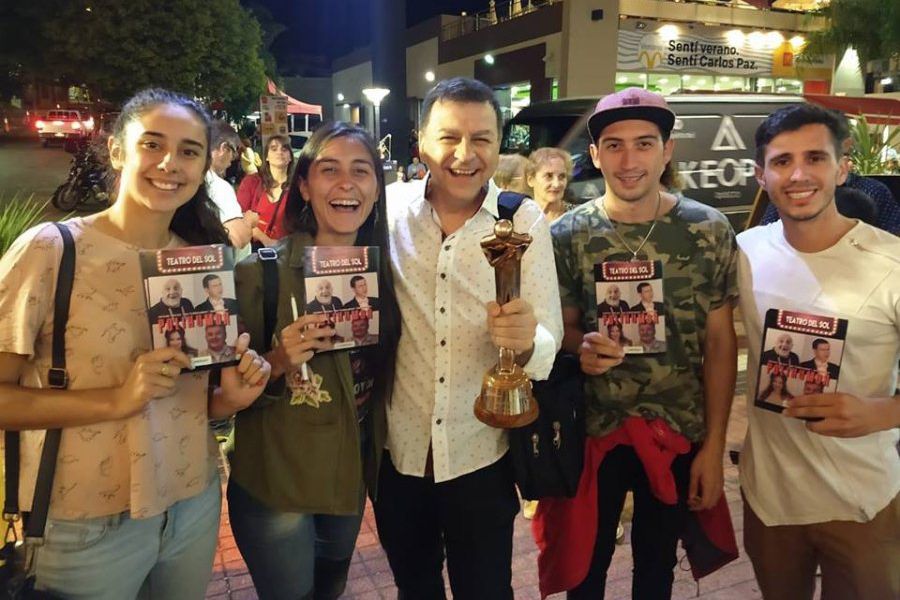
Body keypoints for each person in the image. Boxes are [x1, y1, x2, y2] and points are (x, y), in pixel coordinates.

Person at [0, 88, 270, 599]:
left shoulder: (202, 261)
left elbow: (191, 401)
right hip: (80, 522)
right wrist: (115, 399)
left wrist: (231, 395)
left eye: (189, 151)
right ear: (118, 151)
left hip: (191, 503)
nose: (170, 163)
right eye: (152, 144)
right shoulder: (51, 251)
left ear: (204, 166)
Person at [542, 87, 738, 599]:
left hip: (677, 428)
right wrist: (578, 346)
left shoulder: (708, 230)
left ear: (668, 150)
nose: (629, 161)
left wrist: (714, 448)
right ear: (594, 155)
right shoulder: (567, 234)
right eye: (614, 145)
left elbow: (720, 345)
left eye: (644, 143)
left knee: (656, 571)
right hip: (594, 432)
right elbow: (560, 329)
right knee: (585, 571)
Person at [378, 77, 563, 599]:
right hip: (401, 456)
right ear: (421, 143)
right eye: (449, 137)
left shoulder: (521, 220)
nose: (465, 154)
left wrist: (526, 341)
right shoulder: (390, 213)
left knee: (485, 590)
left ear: (500, 144)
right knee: (415, 588)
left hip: (481, 454)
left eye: (482, 138)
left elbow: (550, 339)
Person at [229, 121, 401, 600]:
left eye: (361, 171)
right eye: (330, 170)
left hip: (349, 476)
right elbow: (217, 400)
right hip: (278, 482)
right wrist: (278, 359)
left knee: (331, 587)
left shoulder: (388, 272)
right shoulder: (259, 275)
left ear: (375, 187)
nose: (346, 183)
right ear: (304, 184)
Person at [738, 103, 900, 600]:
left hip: (861, 501)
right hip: (769, 499)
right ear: (761, 175)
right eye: (782, 161)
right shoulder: (745, 252)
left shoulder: (890, 263)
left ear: (843, 167)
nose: (799, 174)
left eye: (815, 158)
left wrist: (883, 412)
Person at [759, 135, 900, 235]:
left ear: (844, 165)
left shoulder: (873, 191)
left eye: (817, 159)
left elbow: (892, 235)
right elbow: (767, 232)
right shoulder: (794, 192)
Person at [237, 134, 294, 248]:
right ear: (266, 157)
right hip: (255, 252)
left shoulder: (297, 187)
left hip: (287, 253)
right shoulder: (251, 182)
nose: (279, 152)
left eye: (284, 149)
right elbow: (238, 217)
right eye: (274, 149)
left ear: (290, 157)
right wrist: (265, 239)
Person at [206, 120, 252, 259]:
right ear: (223, 148)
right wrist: (248, 220)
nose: (233, 158)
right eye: (234, 150)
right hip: (221, 270)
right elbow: (239, 238)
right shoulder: (218, 186)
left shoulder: (189, 182)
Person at [526, 147, 575, 221]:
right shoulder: (519, 217)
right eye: (548, 176)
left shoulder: (580, 216)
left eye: (562, 176)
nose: (556, 184)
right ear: (531, 180)